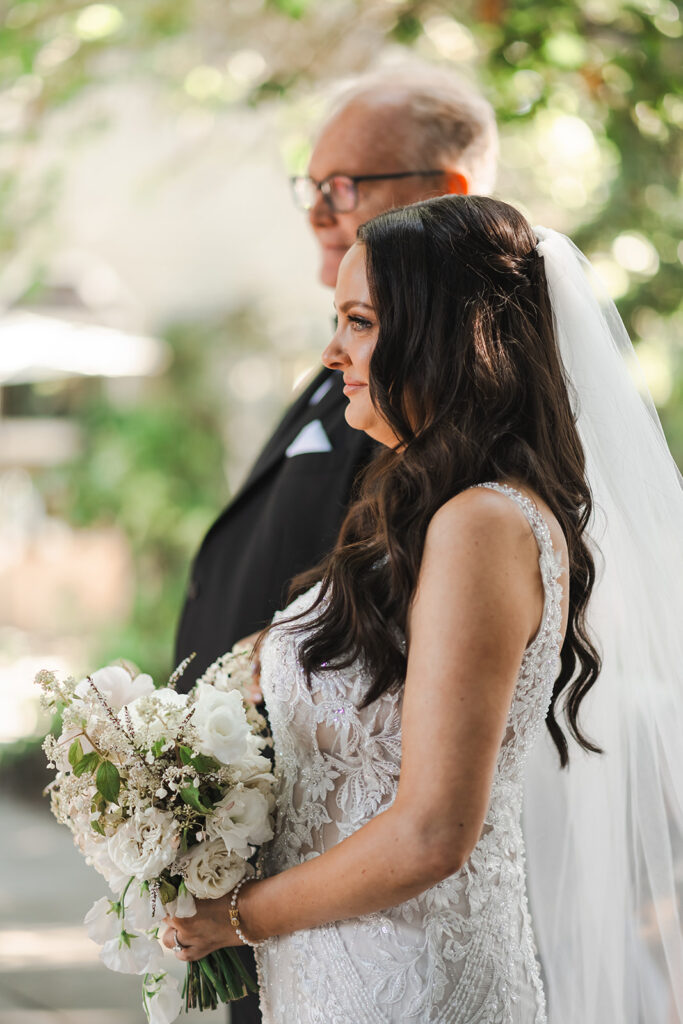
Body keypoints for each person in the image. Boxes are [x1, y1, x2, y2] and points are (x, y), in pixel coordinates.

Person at [164, 195, 683, 1023]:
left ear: (446, 333)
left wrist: (233, 919)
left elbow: (433, 830)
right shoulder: (419, 510)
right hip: (335, 966)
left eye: (361, 322)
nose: (333, 352)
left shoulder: (482, 524)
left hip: (406, 983)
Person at [173, 70, 498, 1024]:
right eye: (310, 185)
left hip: (359, 917)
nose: (319, 209)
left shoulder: (462, 464)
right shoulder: (355, 375)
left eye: (347, 184)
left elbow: (435, 813)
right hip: (294, 905)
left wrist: (240, 914)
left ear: (445, 195)